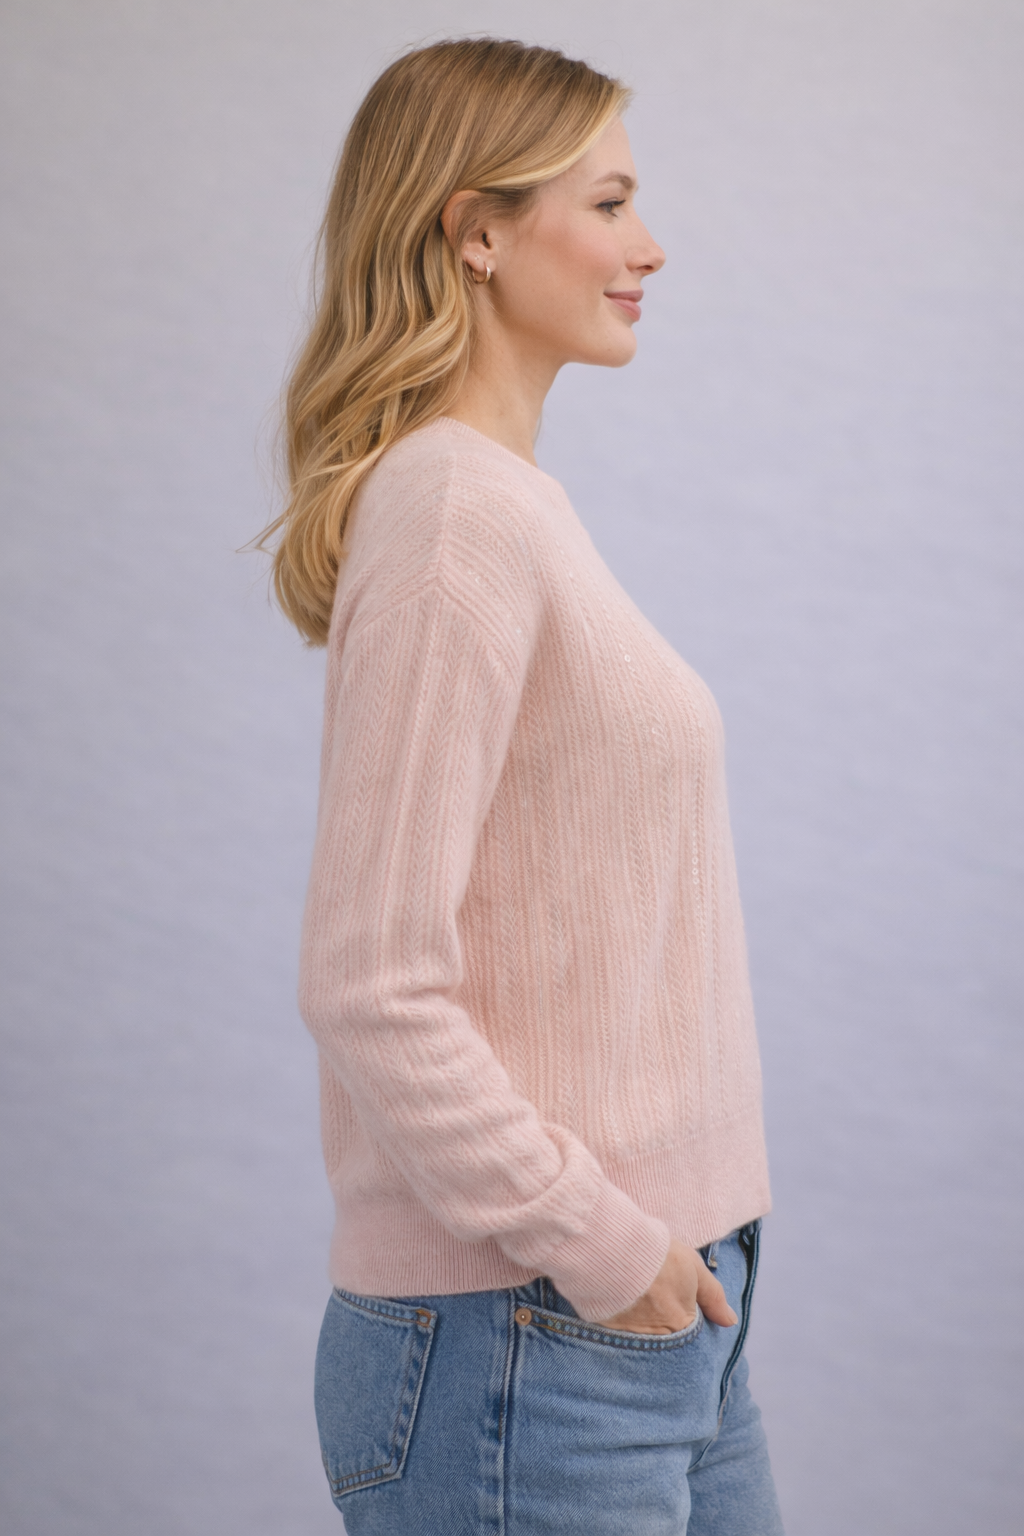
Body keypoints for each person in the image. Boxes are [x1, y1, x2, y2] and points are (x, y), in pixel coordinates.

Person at [260, 36, 784, 1536]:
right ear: (475, 232)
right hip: (534, 1335)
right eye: (608, 203)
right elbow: (370, 981)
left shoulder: (505, 507)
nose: (649, 245)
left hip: (644, 1315)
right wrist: (601, 1244)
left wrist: (649, 1260)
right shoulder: (451, 516)